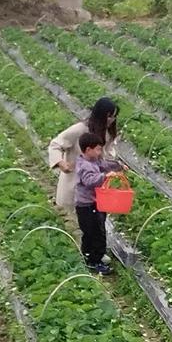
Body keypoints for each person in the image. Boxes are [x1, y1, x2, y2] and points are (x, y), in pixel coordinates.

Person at [48, 97, 120, 210]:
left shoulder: (108, 134)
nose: (112, 120)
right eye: (109, 116)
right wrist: (61, 162)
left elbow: (109, 153)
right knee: (80, 216)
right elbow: (55, 144)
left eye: (114, 116)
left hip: (96, 185)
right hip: (76, 183)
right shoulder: (80, 130)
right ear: (100, 115)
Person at [73, 132, 125, 274]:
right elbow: (89, 181)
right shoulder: (84, 165)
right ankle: (93, 260)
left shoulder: (94, 160)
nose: (100, 151)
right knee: (93, 232)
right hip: (87, 206)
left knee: (99, 229)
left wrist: (118, 166)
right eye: (98, 149)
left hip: (97, 203)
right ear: (88, 150)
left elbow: (105, 164)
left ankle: (96, 255)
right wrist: (104, 176)